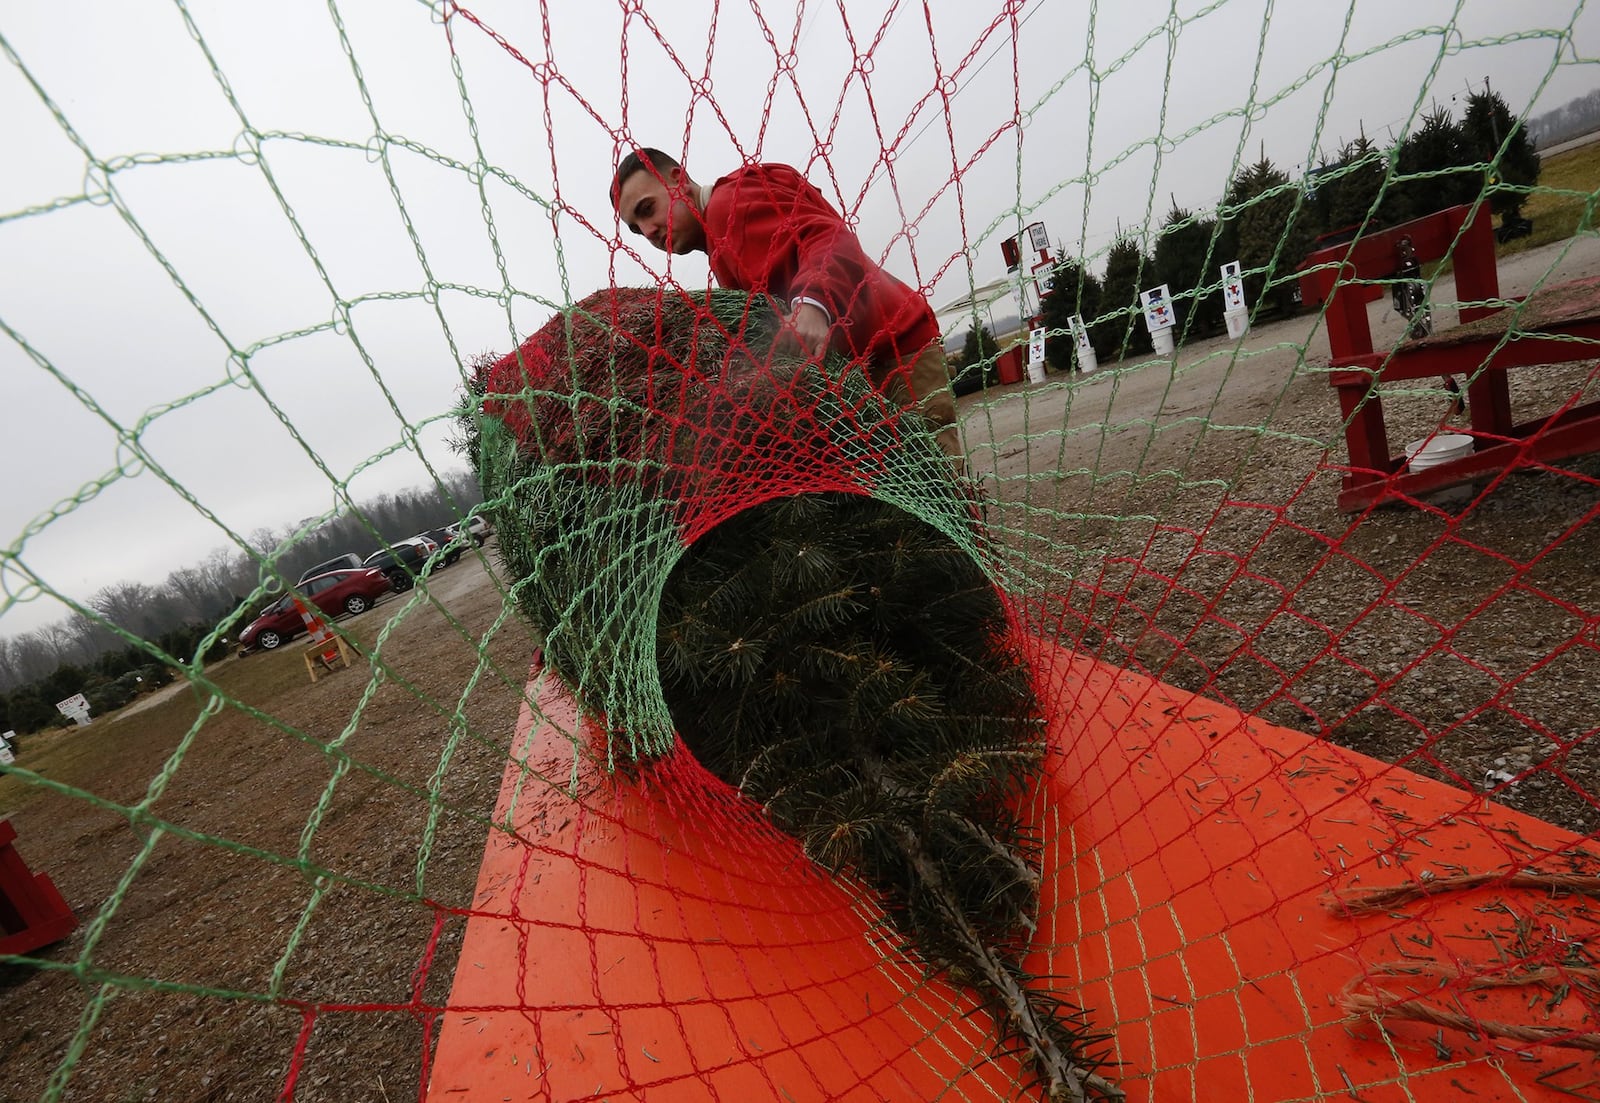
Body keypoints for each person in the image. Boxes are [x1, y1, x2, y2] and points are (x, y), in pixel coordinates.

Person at [610, 148, 960, 458]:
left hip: (893, 354)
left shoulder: (728, 206)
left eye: (648, 209)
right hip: (875, 358)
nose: (649, 231)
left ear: (678, 179)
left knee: (942, 496)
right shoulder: (719, 233)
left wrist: (812, 305)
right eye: (637, 228)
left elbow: (829, 237)